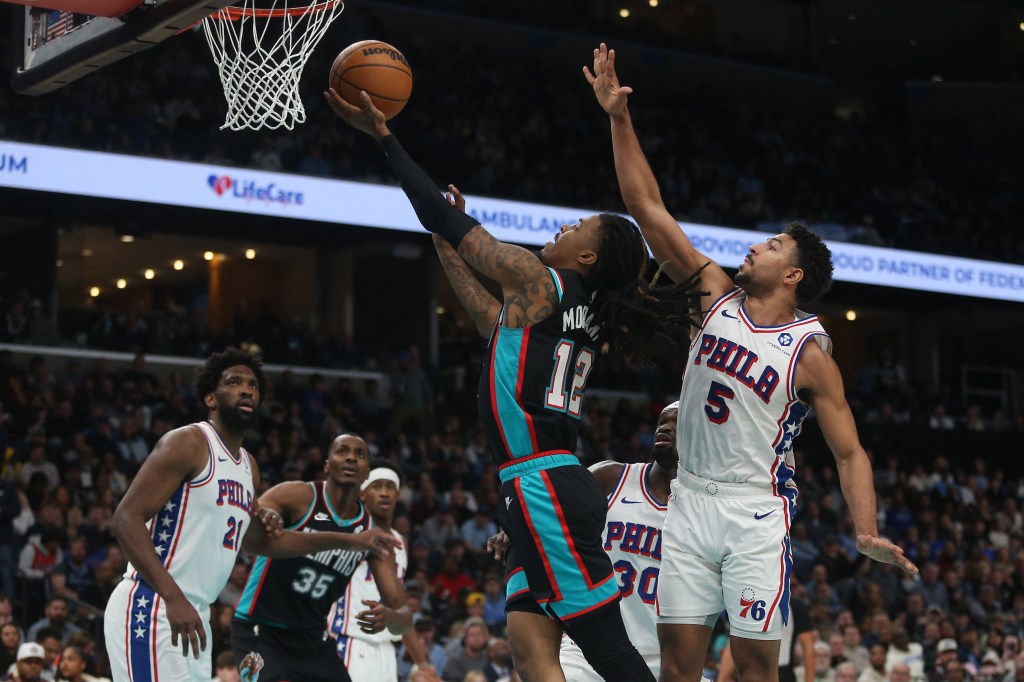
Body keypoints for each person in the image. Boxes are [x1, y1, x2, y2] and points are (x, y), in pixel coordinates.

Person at [325, 81, 700, 682]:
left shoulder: (539, 281)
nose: (565, 228)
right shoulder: (557, 308)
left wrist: (384, 136)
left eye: (578, 228)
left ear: (587, 259)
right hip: (535, 483)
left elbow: (439, 214)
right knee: (528, 649)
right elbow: (485, 317)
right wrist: (446, 240)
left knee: (606, 646)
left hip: (544, 483)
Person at [584, 42, 919, 682]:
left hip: (755, 511)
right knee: (679, 668)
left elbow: (850, 452)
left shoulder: (810, 353)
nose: (755, 247)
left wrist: (866, 529)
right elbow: (647, 208)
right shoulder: (711, 295)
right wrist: (618, 117)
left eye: (771, 245)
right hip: (689, 501)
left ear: (793, 275)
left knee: (757, 668)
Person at [103, 350, 399, 682]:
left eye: (253, 385)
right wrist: (173, 598)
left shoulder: (248, 467)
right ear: (211, 398)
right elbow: (125, 519)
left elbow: (263, 544)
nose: (246, 390)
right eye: (234, 383)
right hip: (154, 603)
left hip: (195, 612)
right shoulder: (189, 442)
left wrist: (348, 540)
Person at [230, 435, 413, 682]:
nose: (351, 458)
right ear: (327, 465)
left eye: (360, 455)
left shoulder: (371, 535)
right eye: (343, 451)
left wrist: (392, 618)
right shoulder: (297, 496)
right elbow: (252, 543)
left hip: (312, 638)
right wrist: (266, 516)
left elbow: (404, 614)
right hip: (260, 629)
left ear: (366, 473)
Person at [327, 460, 440, 681]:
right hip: (348, 642)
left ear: (398, 495)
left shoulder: (400, 542)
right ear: (363, 494)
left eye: (390, 487)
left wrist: (423, 664)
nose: (384, 493)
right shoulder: (349, 532)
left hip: (386, 651)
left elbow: (399, 605)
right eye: (377, 486)